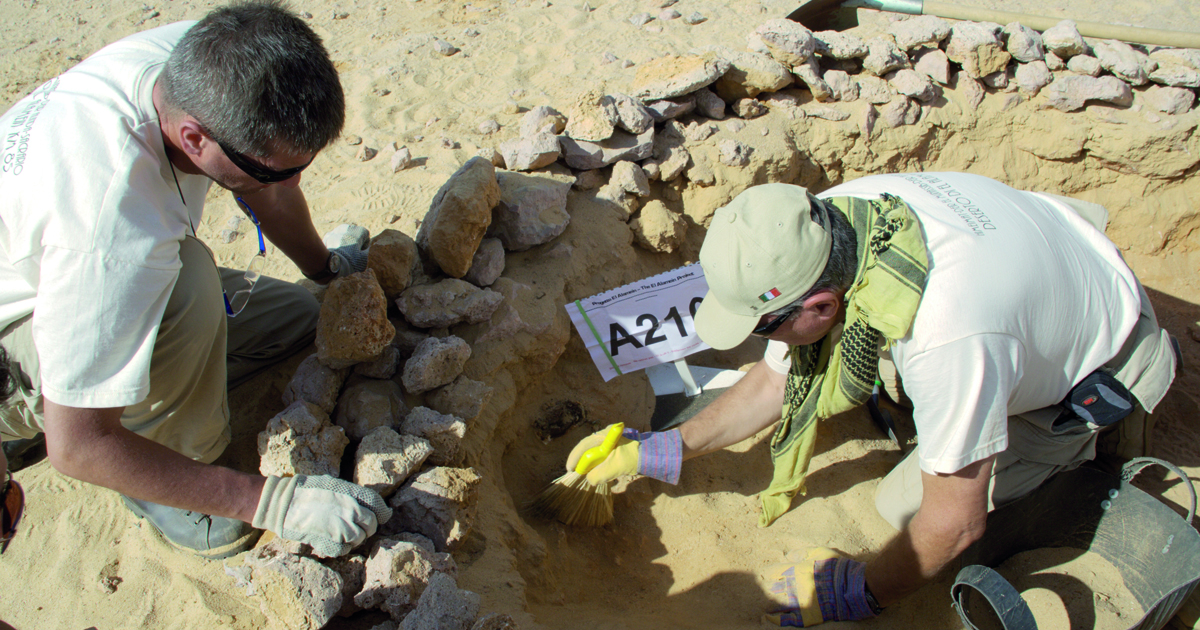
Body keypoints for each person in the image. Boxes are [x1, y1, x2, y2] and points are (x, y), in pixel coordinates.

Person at [564, 173, 1178, 624]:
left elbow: (952, 523)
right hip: (1043, 262)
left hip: (1106, 354)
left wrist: (855, 590)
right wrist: (662, 448)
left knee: (907, 509)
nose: (759, 341)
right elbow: (776, 379)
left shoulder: (949, 337)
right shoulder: (829, 223)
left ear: (821, 305)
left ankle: (1074, 451)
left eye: (762, 326)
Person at [0, 1, 389, 560]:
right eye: (271, 169)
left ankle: (123, 384)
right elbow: (79, 445)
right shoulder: (112, 232)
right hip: (20, 329)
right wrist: (271, 502)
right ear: (193, 138)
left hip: (61, 266)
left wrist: (326, 271)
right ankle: (166, 483)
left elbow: (270, 190)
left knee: (300, 320)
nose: (291, 182)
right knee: (186, 285)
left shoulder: (204, 60)